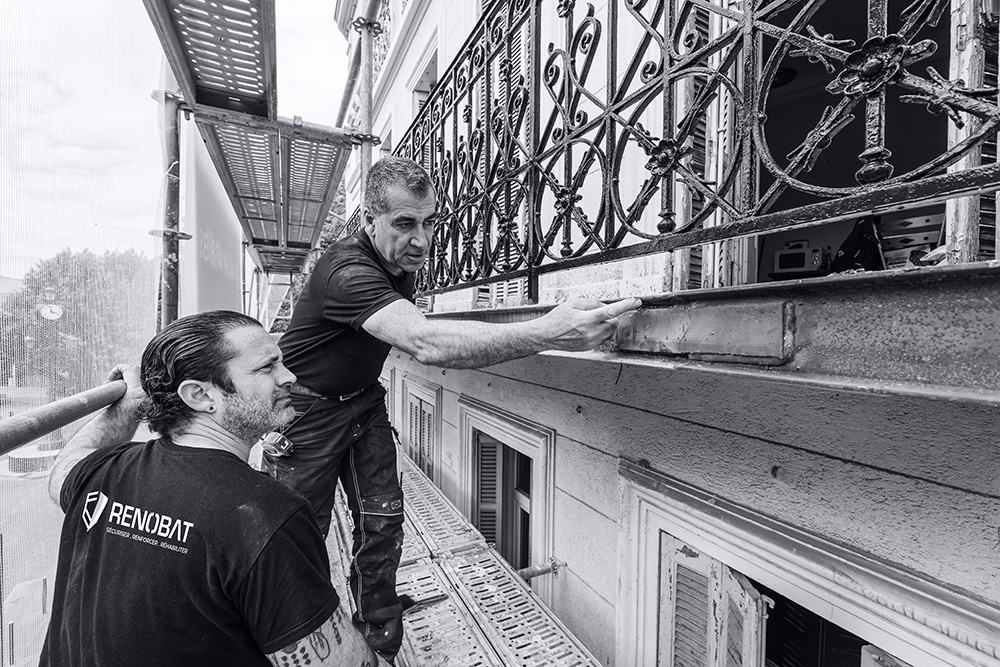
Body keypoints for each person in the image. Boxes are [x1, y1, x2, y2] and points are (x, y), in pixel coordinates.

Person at [270, 156, 642, 659]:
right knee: (297, 540)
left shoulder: (397, 258)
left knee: (383, 520)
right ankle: (305, 645)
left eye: (430, 223)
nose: (421, 241)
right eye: (404, 224)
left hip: (362, 403)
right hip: (306, 415)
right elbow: (425, 341)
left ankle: (380, 635)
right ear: (369, 221)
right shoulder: (347, 270)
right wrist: (551, 331)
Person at [40, 311, 391, 667]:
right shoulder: (266, 515)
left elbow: (62, 470)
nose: (288, 377)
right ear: (200, 394)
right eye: (266, 368)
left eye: (281, 362)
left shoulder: (105, 472)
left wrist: (131, 404)